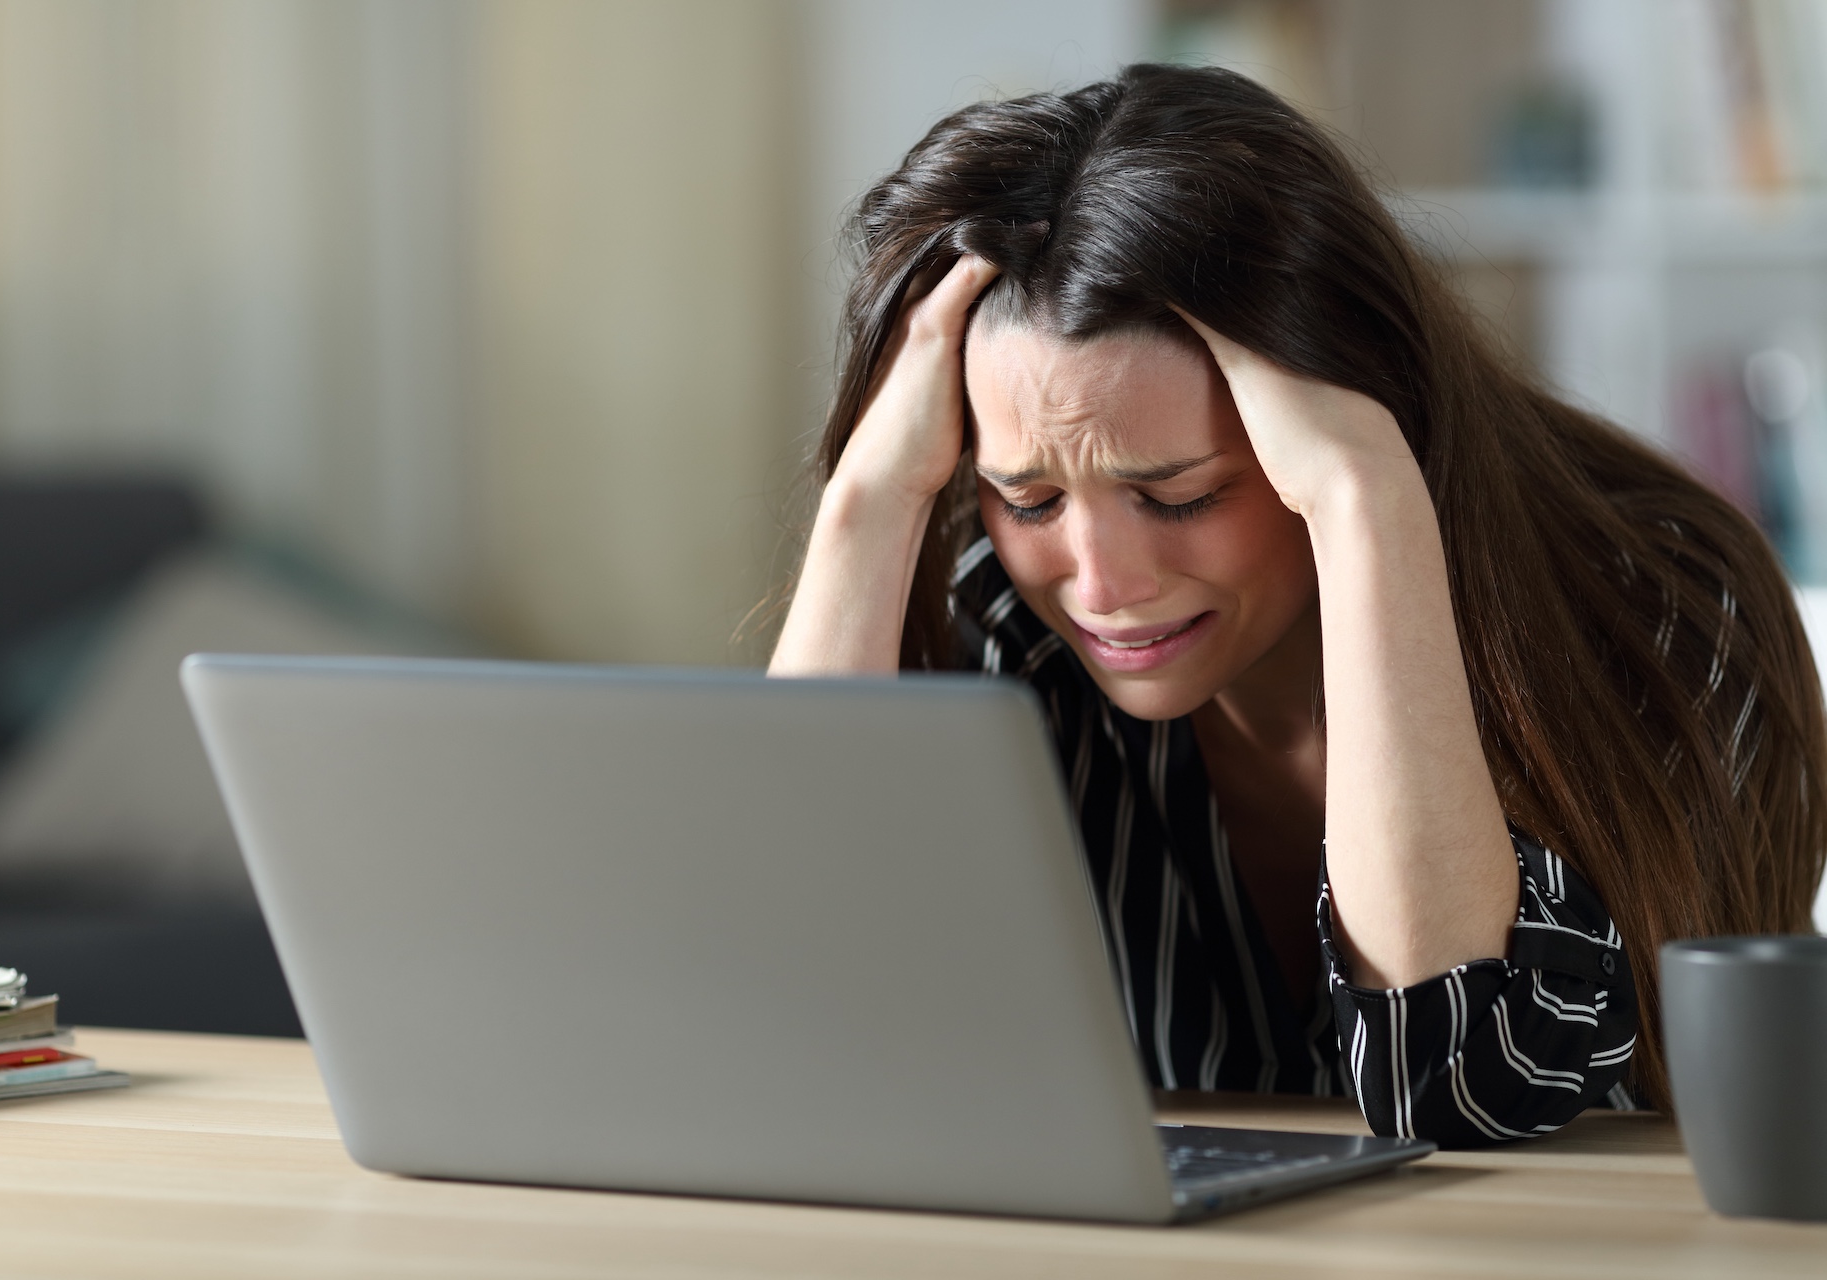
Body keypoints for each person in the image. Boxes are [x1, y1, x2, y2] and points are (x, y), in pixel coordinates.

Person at [769, 65, 1827, 1146]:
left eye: (1179, 496)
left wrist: (1369, 502)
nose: (1100, 585)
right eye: (1028, 499)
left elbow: (1454, 1086)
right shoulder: (1006, 633)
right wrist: (867, 504)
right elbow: (773, 1023)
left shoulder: (1674, 613)